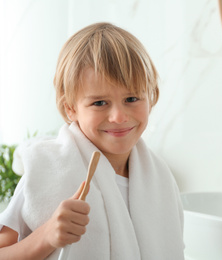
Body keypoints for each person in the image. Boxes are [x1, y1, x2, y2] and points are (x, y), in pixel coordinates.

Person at [0, 22, 185, 259]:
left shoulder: (161, 178)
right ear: (70, 109)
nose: (118, 116)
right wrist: (46, 236)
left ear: (151, 97)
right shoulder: (46, 171)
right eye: (99, 103)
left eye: (131, 98)